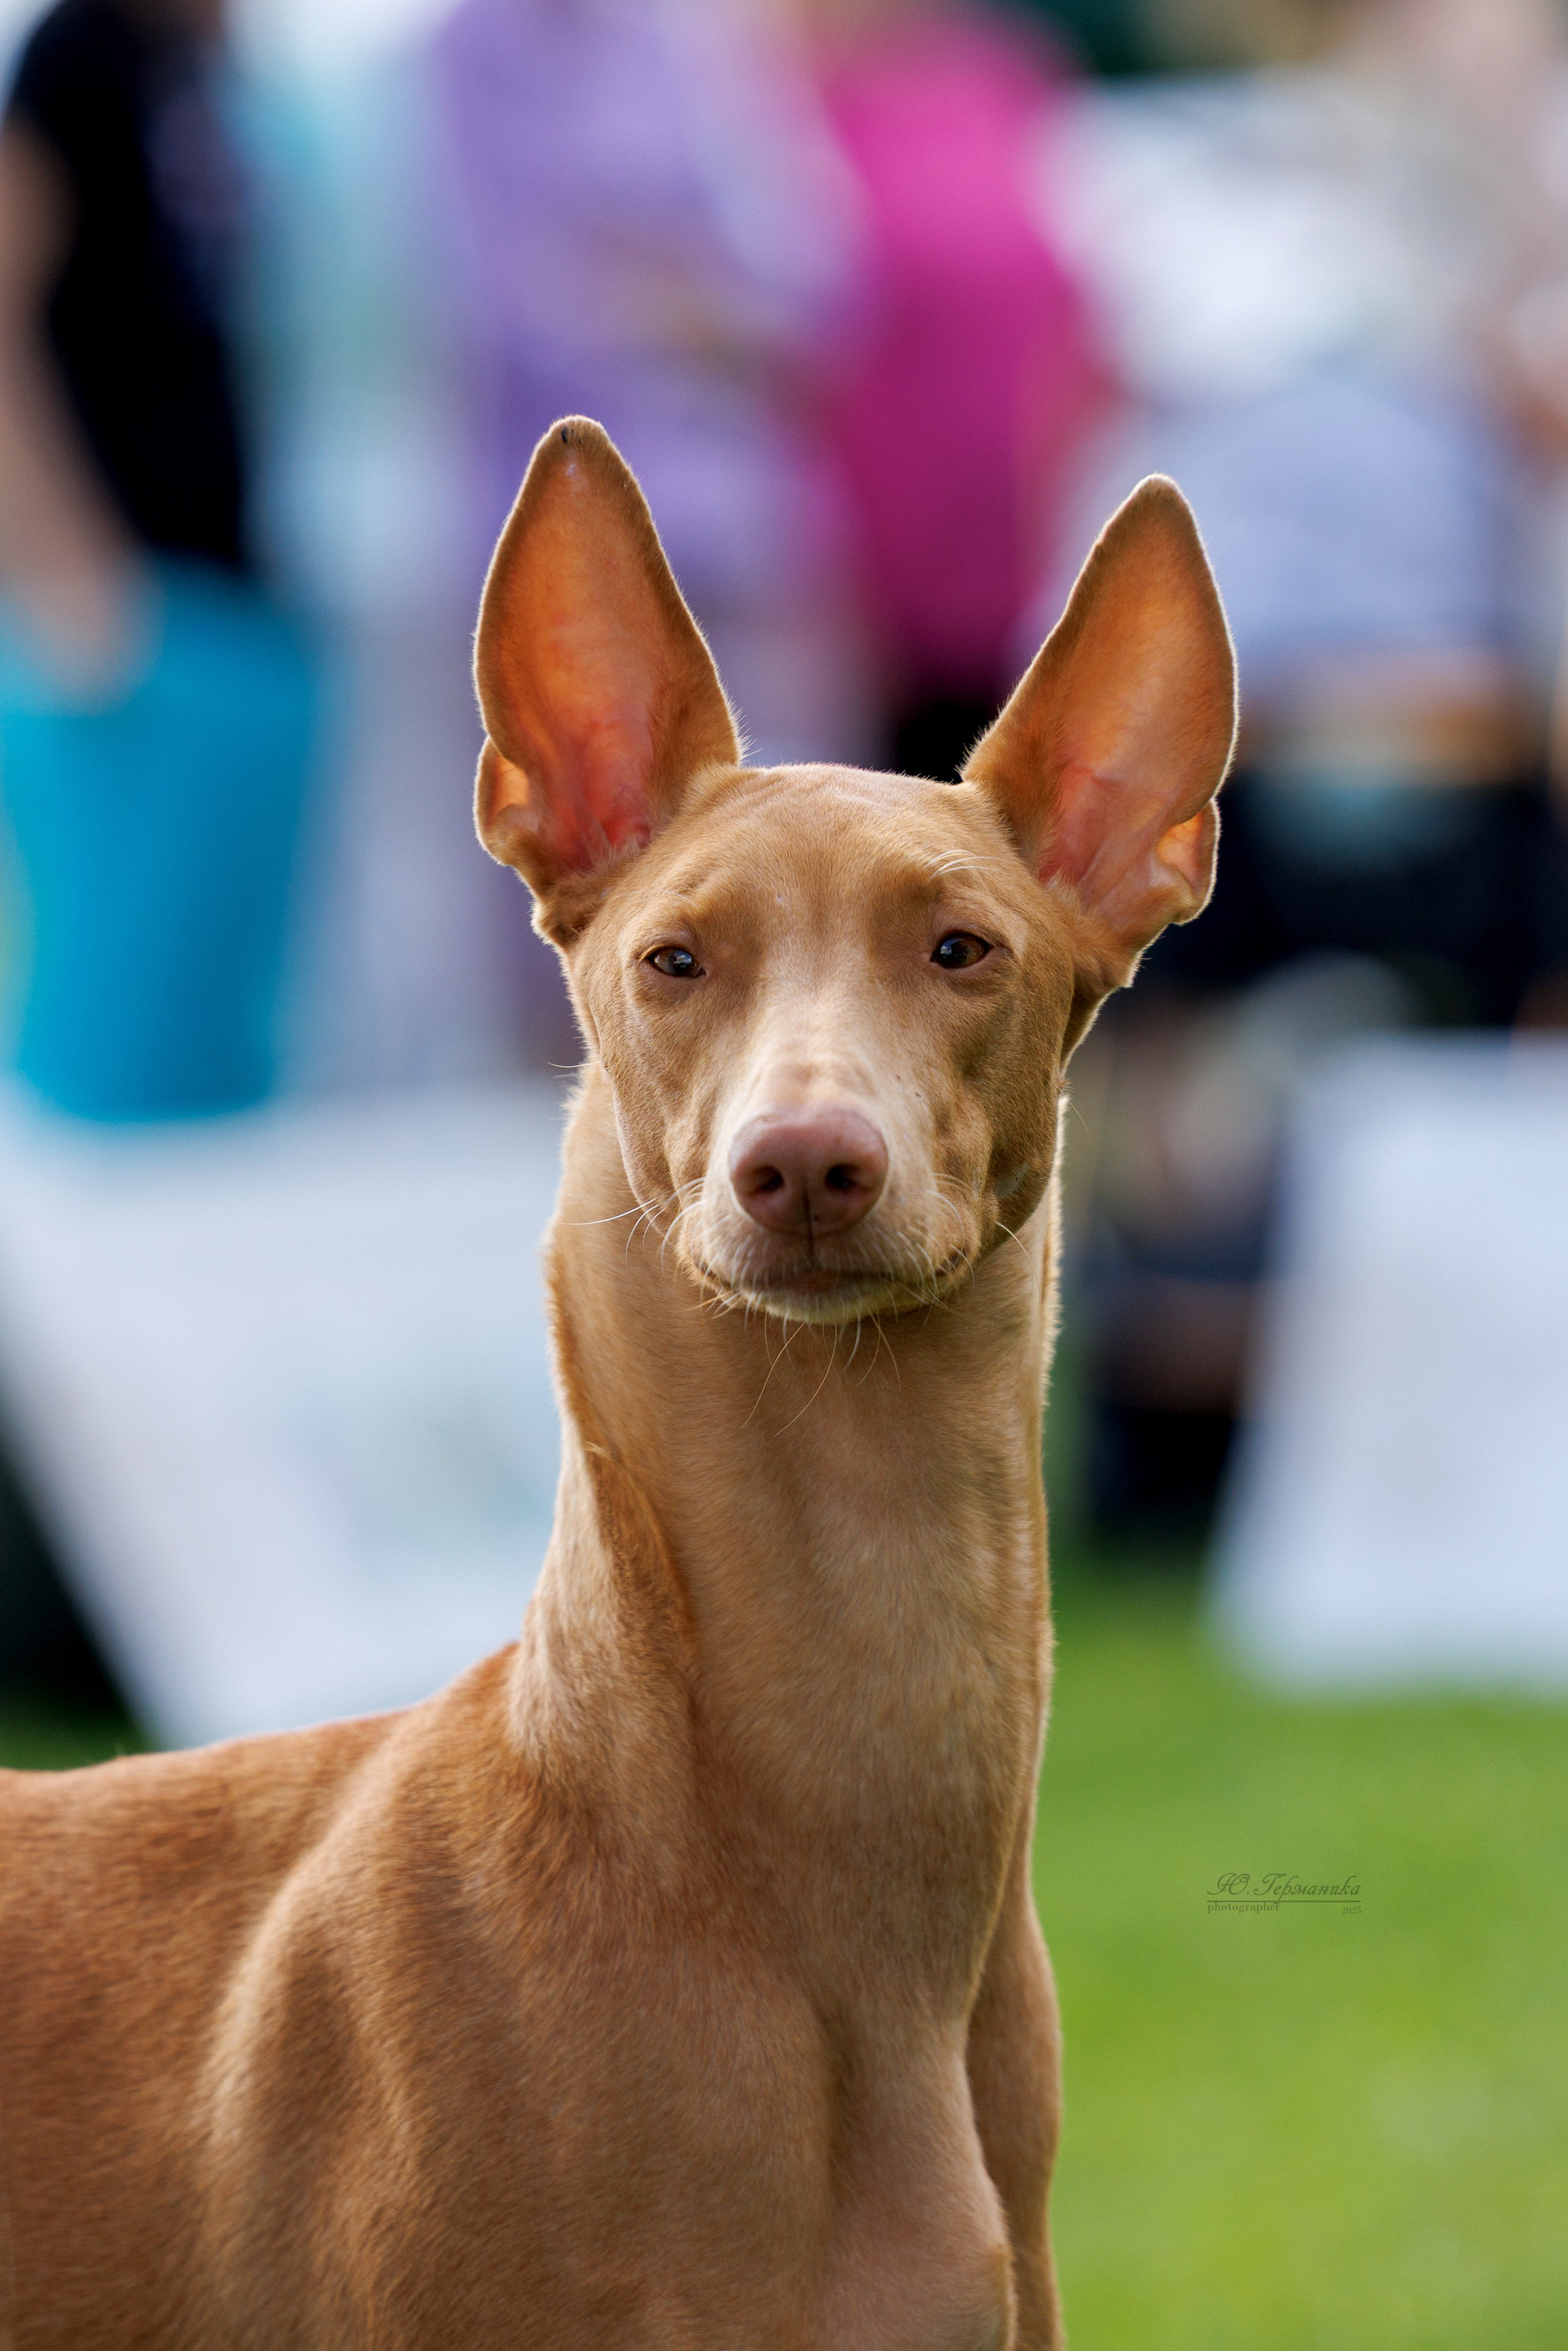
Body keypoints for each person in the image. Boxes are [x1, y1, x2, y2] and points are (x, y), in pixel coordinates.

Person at [0, 0, 317, 1120]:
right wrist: (63, 570)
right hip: (127, 611)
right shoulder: (78, 53)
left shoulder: (205, 80)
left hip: (235, 603)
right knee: (119, 1026)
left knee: (222, 1031)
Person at [797, 0, 1109, 782]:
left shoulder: (1004, 74)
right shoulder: (760, 91)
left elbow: (1082, 304)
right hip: (863, 599)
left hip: (1030, 565)